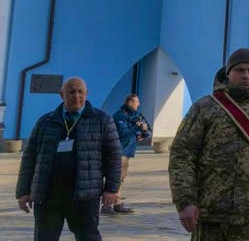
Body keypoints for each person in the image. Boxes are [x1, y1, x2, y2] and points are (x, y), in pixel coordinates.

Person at [168, 48, 249, 241]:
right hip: (210, 213)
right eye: (239, 70)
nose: (246, 76)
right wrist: (185, 201)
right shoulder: (205, 107)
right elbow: (182, 154)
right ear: (228, 72)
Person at [15, 76, 122, 241]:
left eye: (80, 92)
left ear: (86, 94)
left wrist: (111, 189)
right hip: (49, 195)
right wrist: (23, 191)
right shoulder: (46, 121)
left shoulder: (102, 120)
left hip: (84, 195)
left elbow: (114, 157)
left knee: (88, 237)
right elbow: (29, 158)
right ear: (62, 95)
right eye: (71, 92)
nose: (76, 96)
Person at [107, 93, 150, 215]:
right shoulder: (120, 115)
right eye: (137, 102)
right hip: (119, 151)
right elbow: (123, 132)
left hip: (127, 151)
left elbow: (145, 132)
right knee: (115, 178)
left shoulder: (134, 116)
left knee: (121, 178)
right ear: (130, 103)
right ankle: (107, 205)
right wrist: (137, 130)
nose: (139, 104)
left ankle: (117, 203)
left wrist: (143, 131)